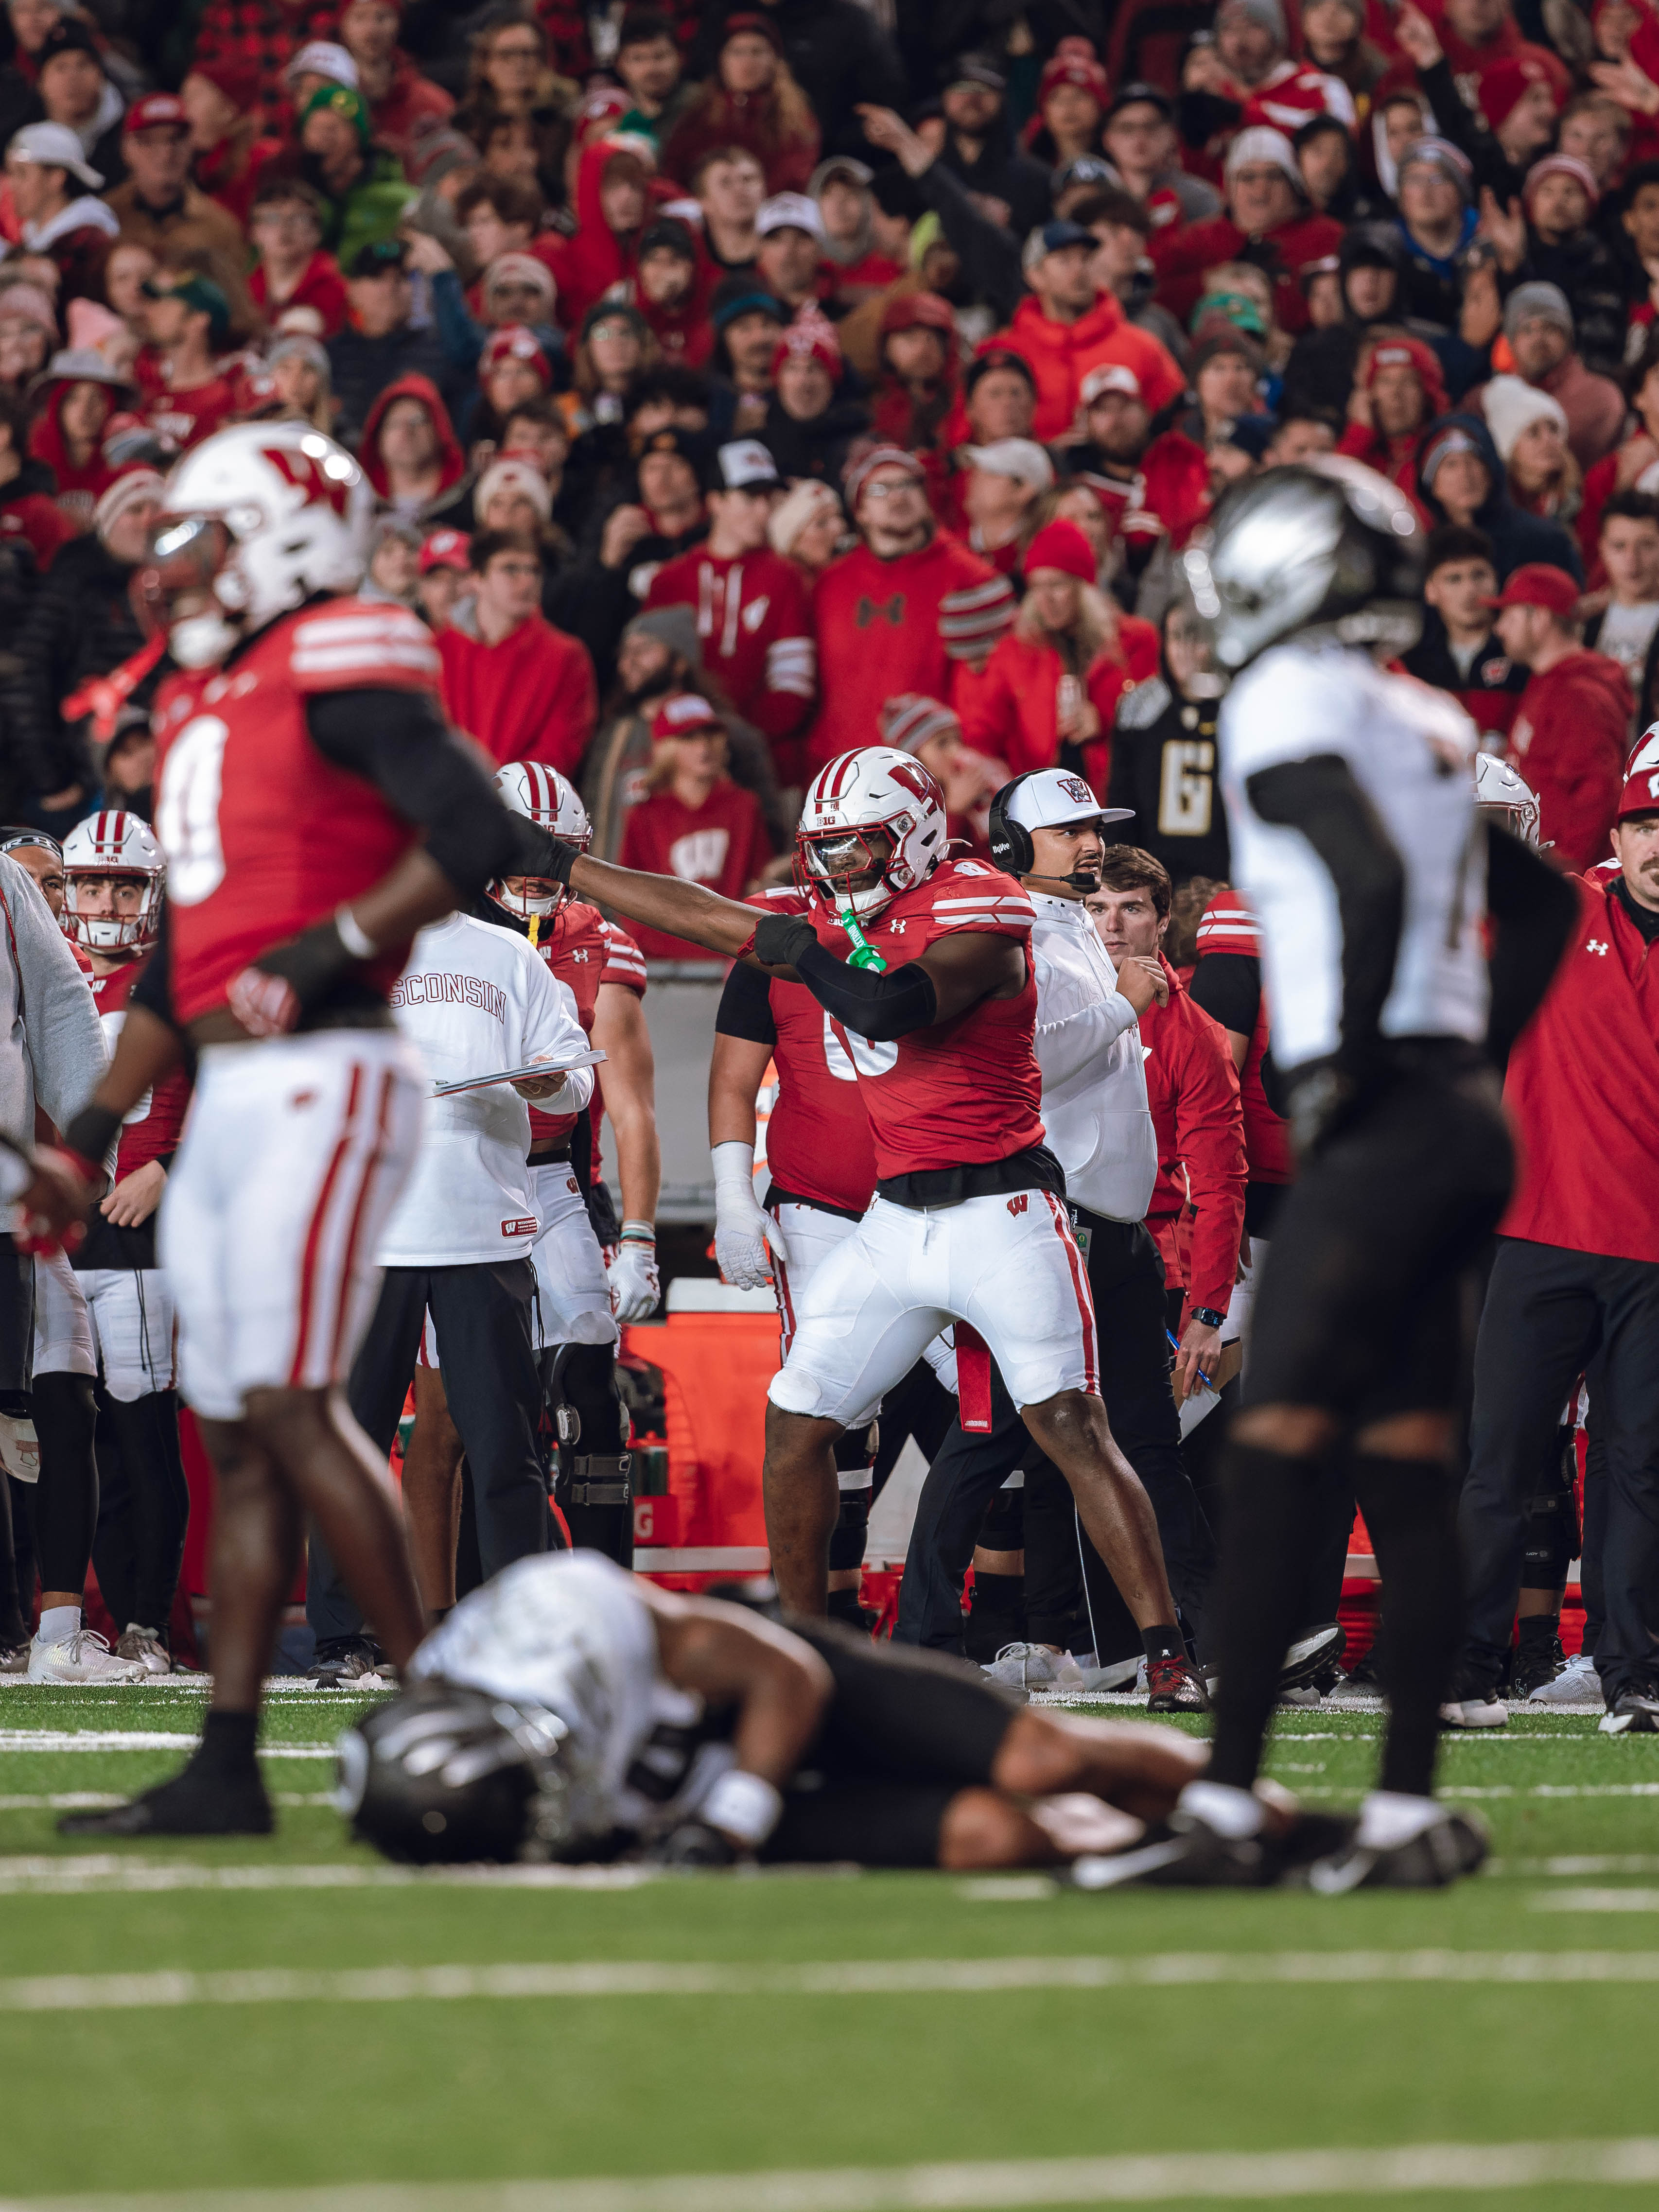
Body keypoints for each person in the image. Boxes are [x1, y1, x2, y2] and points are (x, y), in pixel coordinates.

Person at [39, 419, 577, 1838]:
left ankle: (449, 1724)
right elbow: (184, 964)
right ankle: (229, 1762)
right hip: (230, 1090)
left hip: (329, 1072)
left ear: (278, 532)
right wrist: (91, 1127)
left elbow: (472, 825)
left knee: (287, 1399)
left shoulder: (345, 646)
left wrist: (329, 944)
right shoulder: (219, 693)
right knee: (242, 1413)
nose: (179, 565)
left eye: (203, 534)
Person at [1109, 457, 1575, 1892]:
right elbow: (1540, 898)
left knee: (1281, 1448)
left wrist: (1348, 1064)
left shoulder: (1289, 694)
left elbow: (1362, 877)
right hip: (1452, 1115)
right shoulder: (1427, 708)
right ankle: (1395, 1816)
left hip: (1379, 1122)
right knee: (1407, 1463)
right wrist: (1454, 1052)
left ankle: (1231, 1805)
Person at [540, 745, 1193, 1676]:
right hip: (891, 1221)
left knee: (1069, 1427)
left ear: (918, 835)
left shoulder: (981, 899)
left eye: (857, 849)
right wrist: (564, 864)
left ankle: (1166, 1650)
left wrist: (796, 948)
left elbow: (894, 1006)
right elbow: (702, 913)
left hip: (1001, 1210)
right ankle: (805, 1649)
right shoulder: (843, 909)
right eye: (826, 852)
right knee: (795, 1419)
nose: (836, 871)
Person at [892, 774, 1214, 1709]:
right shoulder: (1005, 929)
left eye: (1092, 826)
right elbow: (1026, 1056)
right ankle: (923, 1637)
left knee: (1141, 1442)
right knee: (987, 1439)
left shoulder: (1070, 924)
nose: (1088, 843)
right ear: (1011, 842)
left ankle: (1187, 1640)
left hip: (1110, 1227)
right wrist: (1122, 1003)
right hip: (1043, 1220)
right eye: (1067, 829)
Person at [338, 1550, 1211, 1872]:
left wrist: (734, 1821)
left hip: (772, 1705)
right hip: (688, 1808)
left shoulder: (565, 1619)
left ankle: (1229, 1798)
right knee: (996, 1838)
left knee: (1041, 1763)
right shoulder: (475, 1793)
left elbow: (785, 1675)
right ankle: (1167, 1859)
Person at [305, 861, 594, 1685]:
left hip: (482, 1227)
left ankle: (517, 1631)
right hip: (367, 1231)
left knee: (505, 1447)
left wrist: (550, 1081)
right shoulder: (339, 953)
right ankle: (339, 1637)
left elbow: (575, 1072)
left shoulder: (508, 953)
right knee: (350, 1441)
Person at [1449, 740, 1659, 1735]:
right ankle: (1463, 1665)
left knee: (1636, 1466)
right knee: (1498, 1458)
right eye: (1644, 824)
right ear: (1613, 834)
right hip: (1536, 1234)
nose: (1658, 844)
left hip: (1651, 1255)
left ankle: (1632, 1674)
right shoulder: (1554, 908)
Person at [479, 763, 659, 1567]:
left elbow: (630, 1106)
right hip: (462, 1178)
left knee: (588, 1383)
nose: (536, 874)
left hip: (553, 1178)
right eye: (523, 854)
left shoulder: (599, 942)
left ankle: (604, 1587)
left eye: (554, 856)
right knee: (474, 1404)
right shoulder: (445, 936)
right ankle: (471, 1592)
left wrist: (643, 1234)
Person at [60, 811, 192, 1676]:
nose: (107, 900)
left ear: (152, 891)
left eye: (124, 883)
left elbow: (240, 1100)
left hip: (140, 1237)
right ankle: (79, 1625)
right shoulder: (46, 978)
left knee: (143, 1433)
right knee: (72, 1441)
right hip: (56, 1239)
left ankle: (147, 1621)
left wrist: (169, 1170)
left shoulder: (186, 981)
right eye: (91, 883)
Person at [805, 445, 1013, 772]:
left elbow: (988, 694)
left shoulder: (971, 578)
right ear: (859, 511)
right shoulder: (830, 583)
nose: (897, 497)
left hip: (929, 778)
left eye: (908, 485)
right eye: (880, 489)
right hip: (841, 773)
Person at [644, 439, 815, 772]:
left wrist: (731, 742)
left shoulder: (787, 578)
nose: (763, 511)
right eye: (750, 498)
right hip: (681, 768)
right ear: (716, 502)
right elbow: (652, 680)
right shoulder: (669, 582)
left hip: (767, 765)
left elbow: (794, 686)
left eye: (769, 499)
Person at [957, 518, 1158, 791]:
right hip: (1042, 805)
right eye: (1037, 586)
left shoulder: (1135, 641)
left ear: (1083, 586)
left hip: (1117, 798)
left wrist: (1104, 720)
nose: (1045, 599)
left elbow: (1156, 719)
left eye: (1057, 585)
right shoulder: (1017, 651)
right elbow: (984, 733)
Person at [1490, 562, 1631, 869]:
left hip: (1565, 887)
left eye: (1509, 615)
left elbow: (1597, 797)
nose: (1499, 628)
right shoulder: (1548, 679)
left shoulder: (1581, 696)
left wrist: (1565, 880)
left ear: (1539, 617)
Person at [617, 692, 772, 957]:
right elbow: (628, 898)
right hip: (666, 966)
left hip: (734, 957)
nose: (703, 748)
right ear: (666, 747)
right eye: (688, 738)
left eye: (709, 735)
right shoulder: (644, 815)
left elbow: (762, 888)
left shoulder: (744, 806)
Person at [437, 529, 597, 778]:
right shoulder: (436, 649)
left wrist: (504, 795)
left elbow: (562, 747)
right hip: (443, 805)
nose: (527, 581)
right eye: (511, 570)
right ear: (477, 579)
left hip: (522, 810)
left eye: (534, 571)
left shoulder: (567, 656)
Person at [1106, 600, 1231, 887]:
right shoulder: (1140, 710)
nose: (1184, 651)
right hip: (1157, 886)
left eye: (1195, 637)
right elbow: (1123, 809)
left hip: (1225, 883)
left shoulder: (1242, 707)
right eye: (1176, 637)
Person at [1402, 524, 1529, 746]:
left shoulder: (1526, 655)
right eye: (1454, 579)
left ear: (1496, 581)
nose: (1470, 590)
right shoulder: (1412, 664)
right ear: (1431, 591)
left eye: (1479, 575)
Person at [134, 272, 243, 458]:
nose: (151, 312)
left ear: (199, 319)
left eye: (166, 305)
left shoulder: (228, 399)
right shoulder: (143, 388)